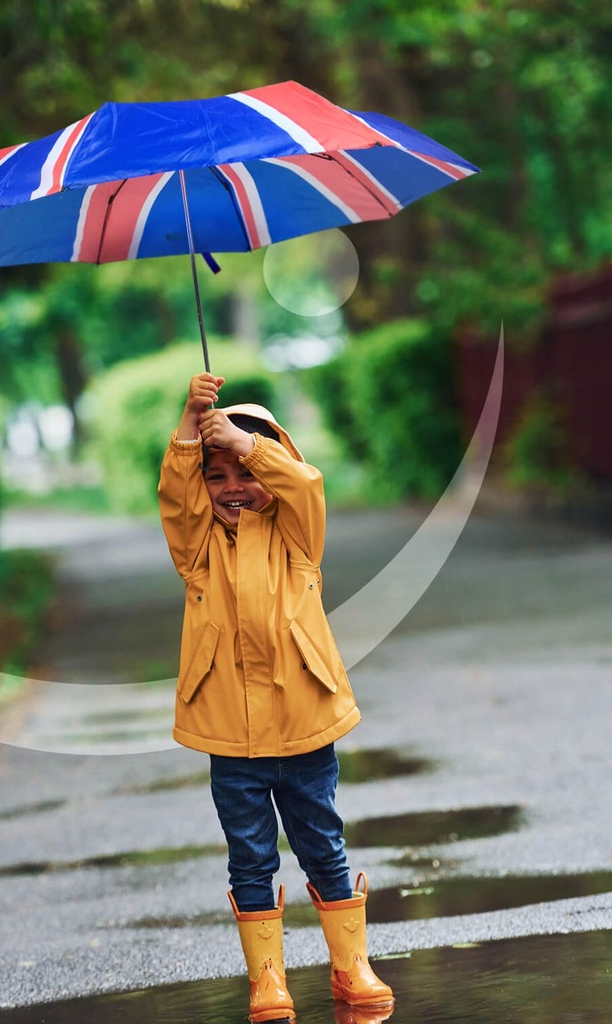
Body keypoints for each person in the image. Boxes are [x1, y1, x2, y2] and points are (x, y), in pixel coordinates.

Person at [157, 372, 393, 1024]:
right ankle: (268, 980)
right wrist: (190, 423)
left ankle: (352, 967)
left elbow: (304, 484)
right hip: (229, 731)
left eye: (246, 472)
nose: (234, 486)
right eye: (219, 475)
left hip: (304, 721)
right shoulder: (198, 551)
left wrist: (242, 441)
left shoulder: (296, 537)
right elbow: (177, 497)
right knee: (250, 854)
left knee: (323, 841)